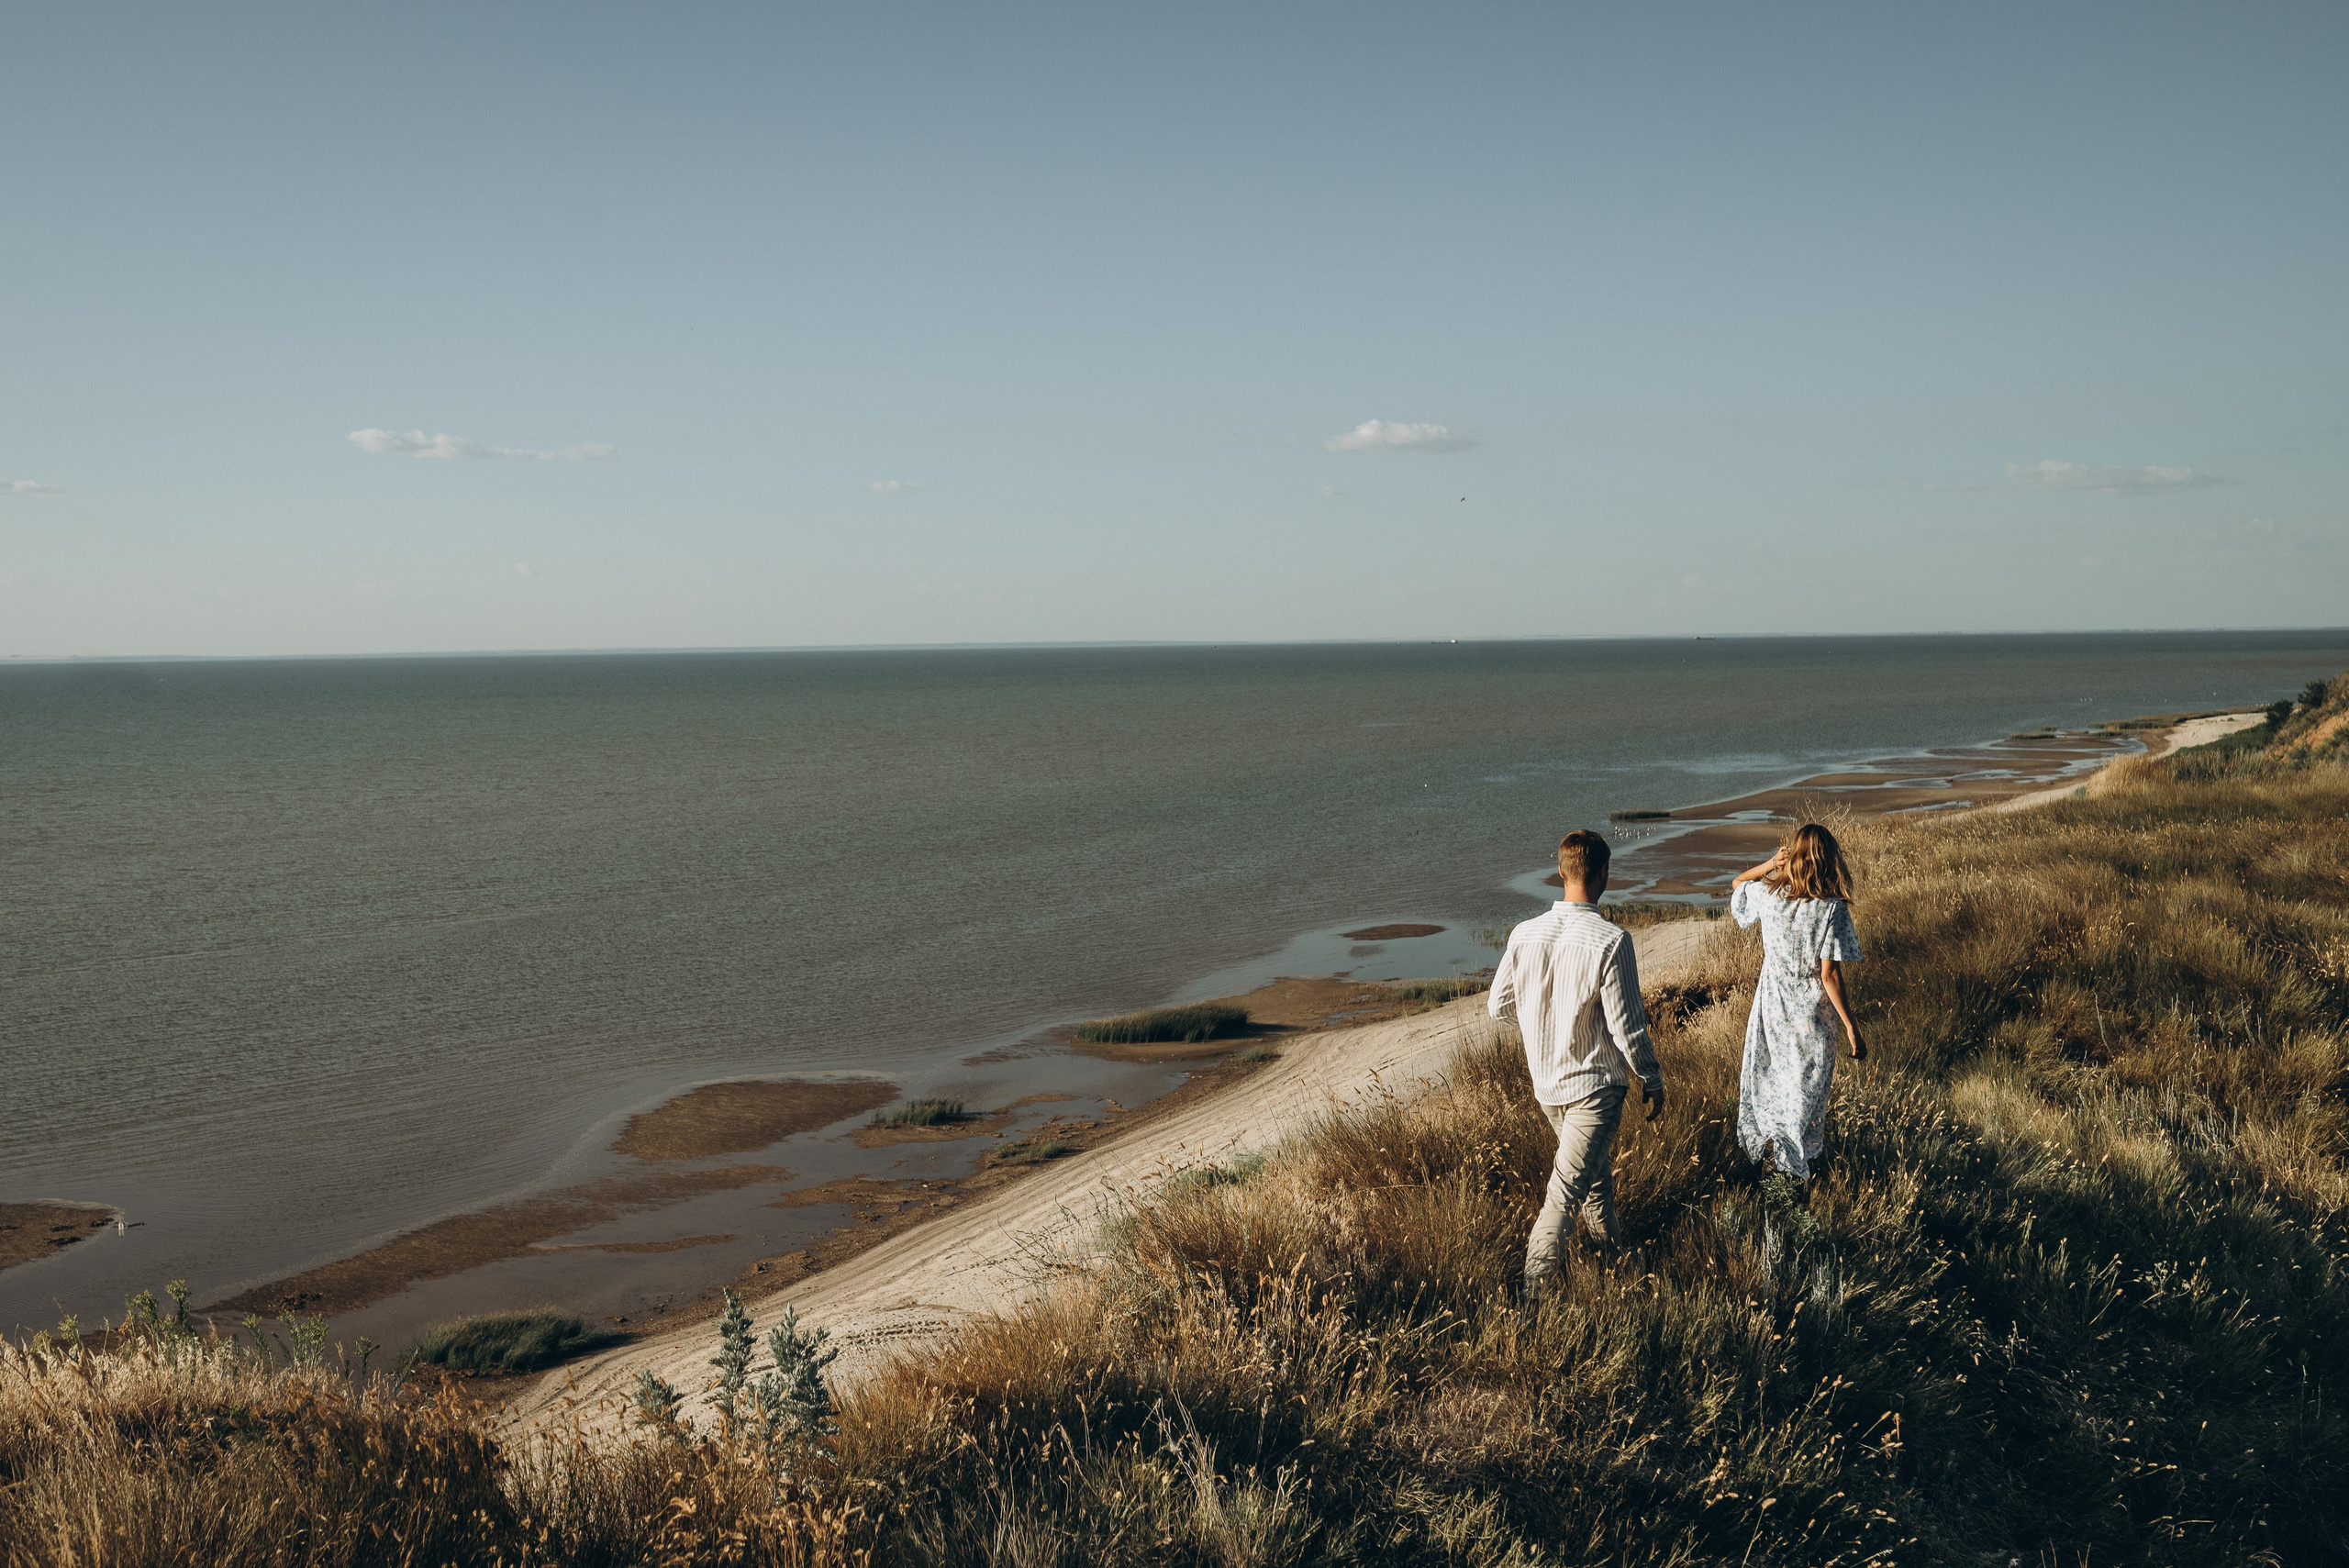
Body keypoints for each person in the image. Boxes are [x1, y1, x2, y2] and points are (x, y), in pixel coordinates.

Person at [1488, 828, 1665, 1299]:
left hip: (1547, 1085)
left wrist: (1542, 1025)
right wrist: (1651, 1076)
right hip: (1594, 1088)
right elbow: (1629, 1026)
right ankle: (1534, 1297)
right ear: (1604, 873)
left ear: (1560, 872)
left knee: (1593, 1182)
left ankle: (1616, 1263)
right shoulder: (1612, 940)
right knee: (1563, 1196)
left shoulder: (1524, 934)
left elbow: (1499, 1006)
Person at [1728, 823, 1865, 1187]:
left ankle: (1780, 1170)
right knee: (1805, 1090)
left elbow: (1738, 885)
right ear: (1828, 860)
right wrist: (1851, 1025)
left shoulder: (1770, 897)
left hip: (1772, 1005)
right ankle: (1794, 1175)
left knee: (1775, 1082)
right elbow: (1829, 975)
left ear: (1795, 858)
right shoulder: (1831, 909)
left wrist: (1771, 865)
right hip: (1811, 1013)